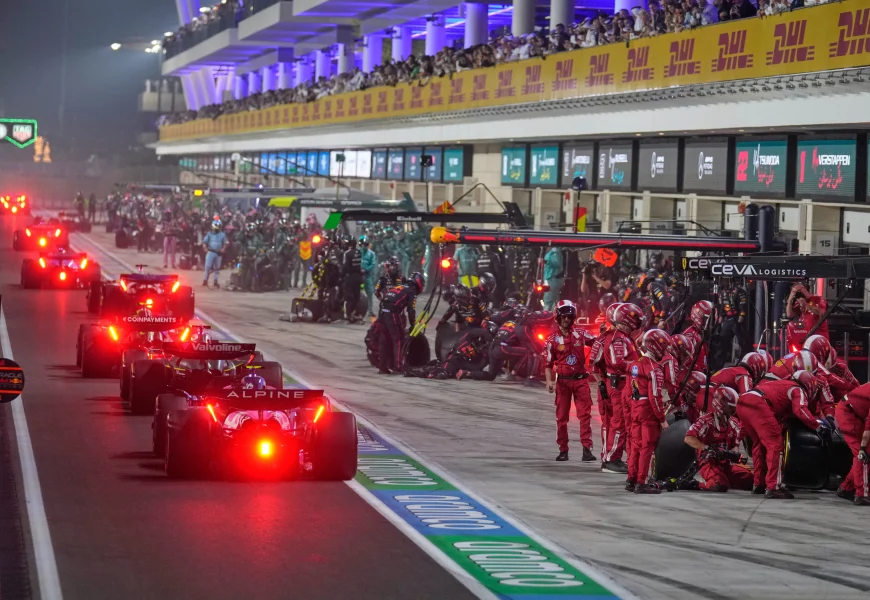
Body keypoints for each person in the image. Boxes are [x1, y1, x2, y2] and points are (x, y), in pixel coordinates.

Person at [737, 370, 831, 499]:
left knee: (759, 445)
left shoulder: (781, 384)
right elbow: (800, 410)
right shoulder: (797, 389)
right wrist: (818, 426)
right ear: (809, 386)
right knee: (775, 446)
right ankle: (773, 487)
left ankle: (759, 483)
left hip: (743, 401)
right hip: (759, 404)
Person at [589, 302, 642, 473]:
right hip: (617, 385)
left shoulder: (622, 337)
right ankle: (611, 459)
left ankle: (610, 456)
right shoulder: (617, 338)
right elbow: (616, 362)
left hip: (617, 384)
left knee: (615, 423)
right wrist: (639, 367)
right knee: (618, 423)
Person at [544, 300, 597, 462]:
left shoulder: (581, 334)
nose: (567, 319)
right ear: (558, 318)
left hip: (581, 381)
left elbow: (598, 342)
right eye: (564, 317)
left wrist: (606, 333)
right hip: (563, 383)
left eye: (569, 317)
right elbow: (547, 364)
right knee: (561, 418)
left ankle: (587, 450)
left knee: (585, 416)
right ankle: (563, 450)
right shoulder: (551, 340)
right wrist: (549, 382)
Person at [625, 328, 670, 494]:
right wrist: (662, 419)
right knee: (647, 446)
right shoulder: (655, 369)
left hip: (635, 407)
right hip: (648, 412)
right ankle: (641, 482)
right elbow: (655, 397)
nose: (665, 351)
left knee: (635, 445)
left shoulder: (634, 364)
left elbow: (627, 392)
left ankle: (631, 479)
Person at [684, 387, 752, 492]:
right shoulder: (706, 421)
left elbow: (735, 445)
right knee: (719, 485)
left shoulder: (734, 422)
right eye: (730, 407)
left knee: (752, 479)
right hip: (708, 463)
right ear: (722, 405)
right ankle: (696, 484)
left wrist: (734, 453)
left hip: (726, 464)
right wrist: (707, 448)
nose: (733, 411)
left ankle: (727, 480)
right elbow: (688, 438)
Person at [376, 272, 425, 374]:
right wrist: (413, 324)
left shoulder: (400, 287)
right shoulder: (411, 291)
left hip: (382, 312)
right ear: (419, 282)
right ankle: (398, 367)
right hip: (392, 312)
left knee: (384, 339)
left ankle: (382, 367)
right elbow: (411, 310)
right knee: (399, 339)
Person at [834, 382, 870, 506]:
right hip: (848, 414)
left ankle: (846, 488)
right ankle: (862, 494)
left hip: (855, 413)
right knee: (864, 454)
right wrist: (863, 447)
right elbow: (868, 428)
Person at [786, 282, 828, 349]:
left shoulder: (818, 299)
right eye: (794, 292)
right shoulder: (799, 302)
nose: (798, 293)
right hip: (805, 337)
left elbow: (822, 312)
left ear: (805, 288)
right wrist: (790, 300)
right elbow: (789, 314)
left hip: (818, 336)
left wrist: (806, 305)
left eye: (799, 290)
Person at [682, 300, 713, 371]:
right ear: (699, 316)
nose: (710, 323)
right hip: (693, 375)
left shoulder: (700, 333)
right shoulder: (690, 335)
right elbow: (685, 362)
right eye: (707, 319)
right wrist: (700, 372)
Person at [342, 237, 363, 323]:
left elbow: (345, 267)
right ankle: (357, 314)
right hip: (358, 277)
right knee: (357, 296)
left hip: (350, 278)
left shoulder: (347, 253)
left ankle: (348, 315)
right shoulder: (359, 252)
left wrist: (342, 276)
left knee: (348, 297)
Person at [202, 219, 227, 289]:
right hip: (211, 251)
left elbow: (225, 243)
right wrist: (205, 248)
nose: (217, 227)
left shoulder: (222, 234)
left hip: (218, 253)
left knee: (217, 268)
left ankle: (215, 281)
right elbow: (204, 242)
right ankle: (205, 280)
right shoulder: (209, 234)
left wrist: (223, 248)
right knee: (207, 266)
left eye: (218, 226)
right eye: (215, 225)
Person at [360, 236, 378, 318]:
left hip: (368, 276)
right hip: (359, 275)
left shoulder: (371, 254)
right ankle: (358, 310)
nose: (364, 246)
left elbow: (373, 264)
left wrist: (366, 269)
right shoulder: (358, 252)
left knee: (370, 293)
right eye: (363, 244)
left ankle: (370, 310)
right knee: (357, 293)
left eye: (366, 244)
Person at [542, 247, 564, 311]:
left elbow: (557, 263)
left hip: (553, 278)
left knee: (549, 298)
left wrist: (546, 261)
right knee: (554, 298)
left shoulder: (555, 251)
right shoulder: (549, 252)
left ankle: (546, 313)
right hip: (549, 277)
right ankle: (553, 312)